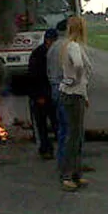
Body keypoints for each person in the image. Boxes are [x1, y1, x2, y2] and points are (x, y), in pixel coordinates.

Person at [59, 16, 92, 192]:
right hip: (72, 94)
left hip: (75, 94)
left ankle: (75, 173)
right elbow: (79, 66)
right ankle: (67, 174)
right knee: (73, 136)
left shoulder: (70, 46)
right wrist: (75, 81)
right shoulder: (73, 46)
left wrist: (83, 92)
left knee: (76, 136)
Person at [27, 29, 59, 160]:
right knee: (41, 125)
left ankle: (61, 149)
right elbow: (34, 77)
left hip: (53, 95)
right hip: (40, 95)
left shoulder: (55, 53)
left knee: (57, 122)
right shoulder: (38, 54)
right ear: (47, 40)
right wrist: (38, 96)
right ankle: (44, 149)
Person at [47, 22, 69, 168]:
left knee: (62, 127)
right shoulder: (68, 46)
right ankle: (69, 164)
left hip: (55, 88)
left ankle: (63, 161)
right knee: (70, 128)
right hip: (67, 89)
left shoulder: (53, 47)